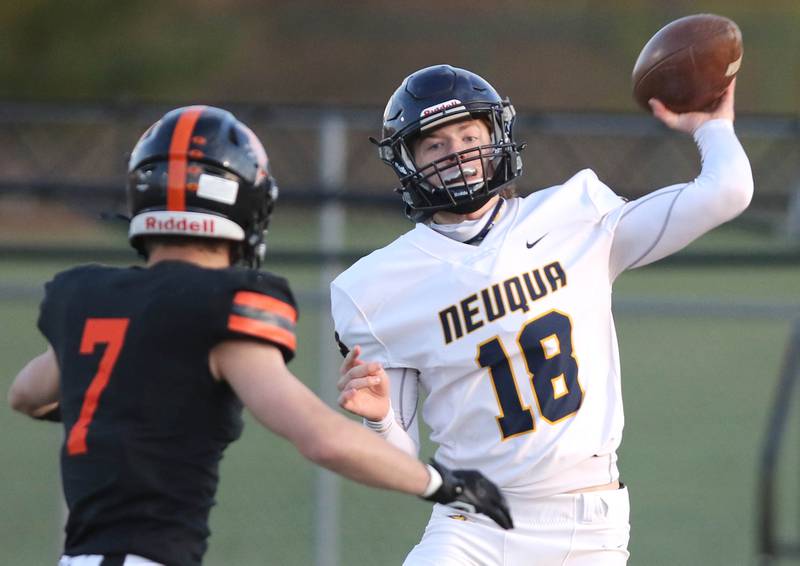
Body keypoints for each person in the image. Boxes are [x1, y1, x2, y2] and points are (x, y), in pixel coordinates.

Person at [7, 105, 513, 566]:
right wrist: (442, 484)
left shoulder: (91, 295)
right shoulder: (222, 304)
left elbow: (26, 395)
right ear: (246, 202)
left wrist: (126, 404)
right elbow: (319, 437)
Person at [331, 64, 753, 565]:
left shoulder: (574, 217)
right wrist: (379, 421)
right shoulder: (376, 287)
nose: (458, 154)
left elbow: (727, 191)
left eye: (469, 134)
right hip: (471, 524)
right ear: (409, 160)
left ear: (498, 137)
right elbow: (398, 464)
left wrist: (710, 124)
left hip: (587, 523)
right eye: (435, 145)